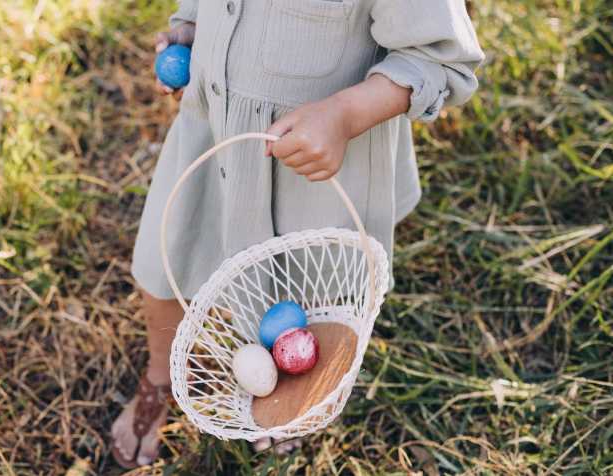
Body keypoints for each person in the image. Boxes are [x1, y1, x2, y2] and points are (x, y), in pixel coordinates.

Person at [111, 0, 484, 468]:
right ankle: (161, 372)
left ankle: (284, 398)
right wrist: (191, 27)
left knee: (299, 304)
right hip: (216, 133)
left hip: (313, 169)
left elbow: (442, 59)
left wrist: (345, 116)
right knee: (165, 259)